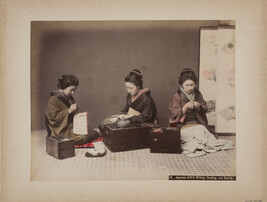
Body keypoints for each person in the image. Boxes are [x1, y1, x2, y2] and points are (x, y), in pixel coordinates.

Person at [169, 68, 233, 157]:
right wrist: (185, 107)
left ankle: (199, 144)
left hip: (198, 123)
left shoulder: (198, 93)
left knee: (199, 135)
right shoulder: (176, 97)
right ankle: (202, 143)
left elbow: (205, 107)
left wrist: (199, 105)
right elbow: (173, 114)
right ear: (182, 85)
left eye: (192, 85)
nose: (190, 88)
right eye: (187, 85)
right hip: (183, 126)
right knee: (201, 131)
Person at [46, 74, 100, 146]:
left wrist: (81, 114)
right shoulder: (53, 99)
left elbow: (75, 111)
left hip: (72, 126)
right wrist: (68, 111)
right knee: (80, 138)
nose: (73, 93)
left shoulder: (69, 97)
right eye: (71, 90)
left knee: (94, 132)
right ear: (64, 87)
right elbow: (53, 118)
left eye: (74, 90)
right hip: (61, 129)